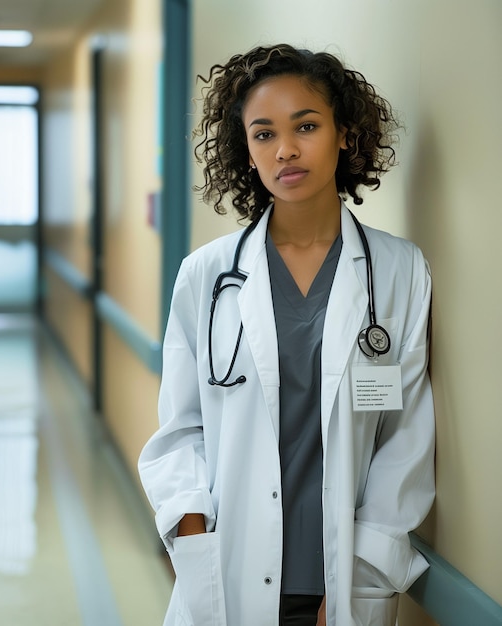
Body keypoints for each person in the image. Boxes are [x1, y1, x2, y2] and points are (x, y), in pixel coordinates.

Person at [138, 43, 435, 626]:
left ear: (345, 133)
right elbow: (179, 430)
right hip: (227, 573)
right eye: (264, 134)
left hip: (342, 580)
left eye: (306, 125)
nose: (286, 150)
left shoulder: (398, 270)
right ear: (245, 151)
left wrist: (359, 578)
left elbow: (404, 440)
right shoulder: (208, 274)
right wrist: (198, 550)